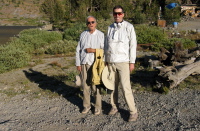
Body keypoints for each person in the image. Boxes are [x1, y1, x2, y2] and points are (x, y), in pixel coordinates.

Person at [104, 5, 138, 122]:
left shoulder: (129, 27)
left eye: (119, 13)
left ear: (123, 14)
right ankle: (114, 106)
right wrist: (106, 60)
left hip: (123, 62)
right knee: (112, 86)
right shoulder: (110, 27)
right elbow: (106, 45)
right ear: (113, 15)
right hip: (111, 61)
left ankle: (133, 111)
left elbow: (133, 46)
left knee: (125, 87)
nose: (117, 16)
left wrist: (132, 62)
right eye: (115, 14)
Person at [76, 16, 104, 115]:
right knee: (85, 86)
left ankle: (97, 107)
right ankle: (86, 106)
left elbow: (105, 50)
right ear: (86, 24)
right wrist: (78, 63)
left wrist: (93, 50)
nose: (91, 24)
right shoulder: (83, 34)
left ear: (95, 23)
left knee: (95, 86)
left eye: (92, 22)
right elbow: (78, 50)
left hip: (95, 64)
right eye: (89, 23)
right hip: (84, 63)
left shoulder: (100, 35)